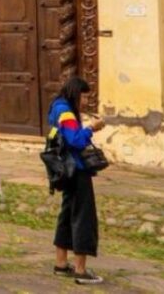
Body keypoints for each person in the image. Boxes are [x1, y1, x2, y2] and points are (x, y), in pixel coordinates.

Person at [50, 76, 106, 286]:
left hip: (65, 169)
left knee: (66, 214)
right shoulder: (65, 111)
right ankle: (81, 269)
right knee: (83, 217)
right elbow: (74, 140)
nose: (85, 101)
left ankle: (61, 263)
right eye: (84, 96)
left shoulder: (57, 107)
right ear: (75, 93)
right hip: (76, 169)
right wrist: (92, 127)